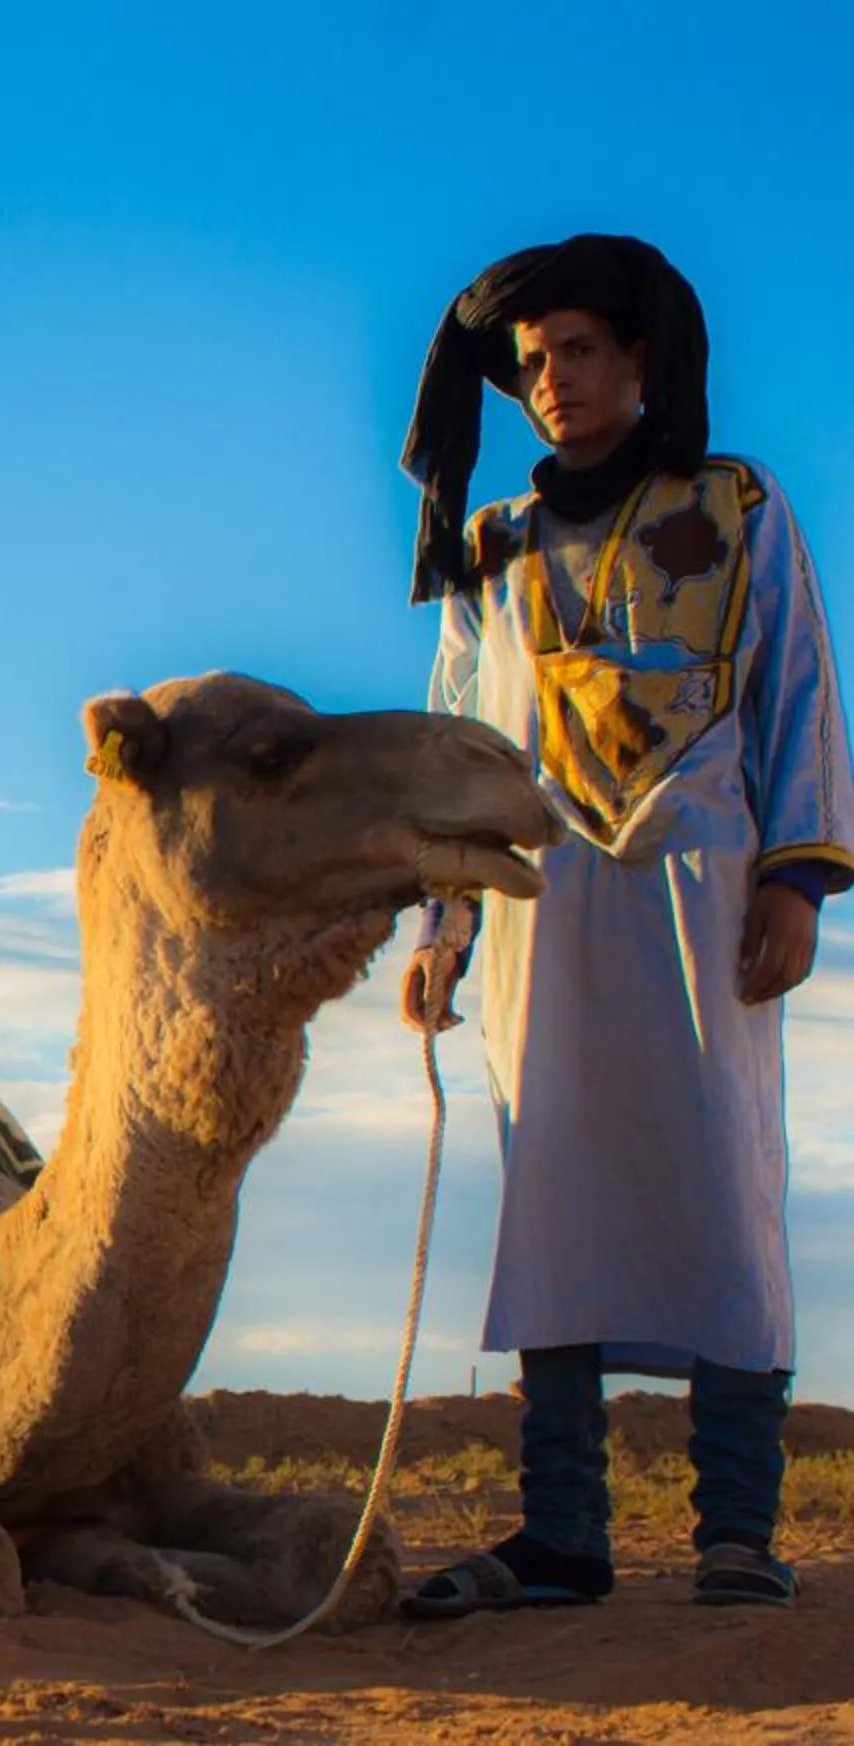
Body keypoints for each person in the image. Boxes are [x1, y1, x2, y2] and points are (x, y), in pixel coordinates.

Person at [392, 235, 854, 1615]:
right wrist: (444, 921)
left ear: (640, 360)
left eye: (577, 351)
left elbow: (800, 694)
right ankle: (565, 1533)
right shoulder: (497, 550)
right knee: (554, 1198)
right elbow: (464, 744)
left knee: (722, 1189)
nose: (551, 383)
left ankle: (734, 1530)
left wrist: (795, 880)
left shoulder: (740, 503)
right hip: (548, 905)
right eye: (529, 364)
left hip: (702, 900)